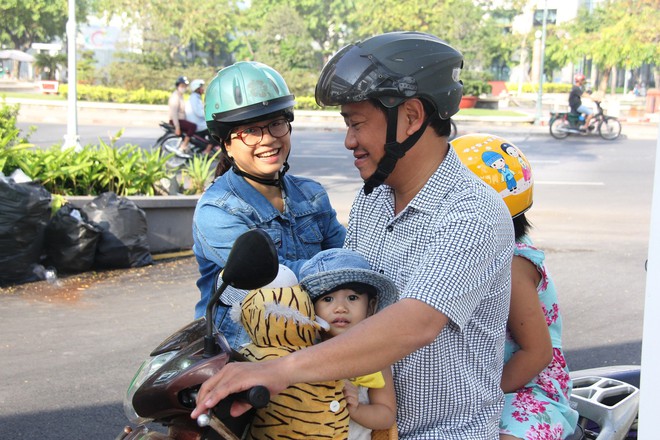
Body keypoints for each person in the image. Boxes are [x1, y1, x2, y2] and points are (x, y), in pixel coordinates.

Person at [192, 31, 514, 440]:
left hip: (438, 432)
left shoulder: (472, 213)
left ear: (411, 117)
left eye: (356, 124)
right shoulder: (374, 199)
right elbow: (333, 292)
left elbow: (416, 323)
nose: (349, 142)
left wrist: (280, 370)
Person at [192, 61, 346, 350]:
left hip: (315, 342)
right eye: (251, 130)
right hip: (245, 353)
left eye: (276, 123)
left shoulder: (311, 195)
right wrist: (343, 266)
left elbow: (345, 252)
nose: (268, 139)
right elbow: (280, 277)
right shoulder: (217, 210)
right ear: (226, 143)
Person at [453, 134, 578, 439]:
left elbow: (536, 353)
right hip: (487, 376)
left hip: (528, 387)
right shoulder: (485, 249)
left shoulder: (512, 263)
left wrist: (479, 399)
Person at [299, 248, 398, 439]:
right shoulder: (302, 351)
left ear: (370, 307)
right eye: (327, 299)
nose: (340, 308)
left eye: (352, 298)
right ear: (311, 309)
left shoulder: (375, 357)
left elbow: (386, 414)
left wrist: (357, 409)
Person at [185, 78, 214, 154]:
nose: (203, 89)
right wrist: (210, 113)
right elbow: (199, 112)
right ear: (197, 88)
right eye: (201, 87)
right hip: (198, 124)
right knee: (216, 131)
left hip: (199, 122)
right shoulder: (194, 98)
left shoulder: (196, 97)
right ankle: (207, 151)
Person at [169, 75, 196, 154]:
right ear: (177, 86)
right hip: (176, 120)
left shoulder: (180, 96)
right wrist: (177, 127)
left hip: (181, 120)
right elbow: (174, 113)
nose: (183, 88)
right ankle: (184, 145)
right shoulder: (175, 97)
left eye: (185, 86)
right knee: (193, 126)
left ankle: (187, 145)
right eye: (182, 86)